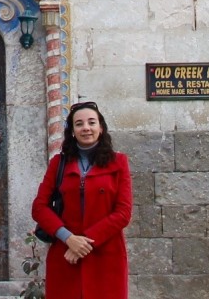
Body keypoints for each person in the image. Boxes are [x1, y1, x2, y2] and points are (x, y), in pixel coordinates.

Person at [31, 101, 132, 299]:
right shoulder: (58, 164)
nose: (86, 128)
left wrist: (83, 244)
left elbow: (123, 213)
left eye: (91, 122)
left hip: (106, 256)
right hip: (65, 256)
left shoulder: (118, 162)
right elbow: (39, 207)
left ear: (100, 128)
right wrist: (69, 238)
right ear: (72, 131)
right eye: (79, 124)